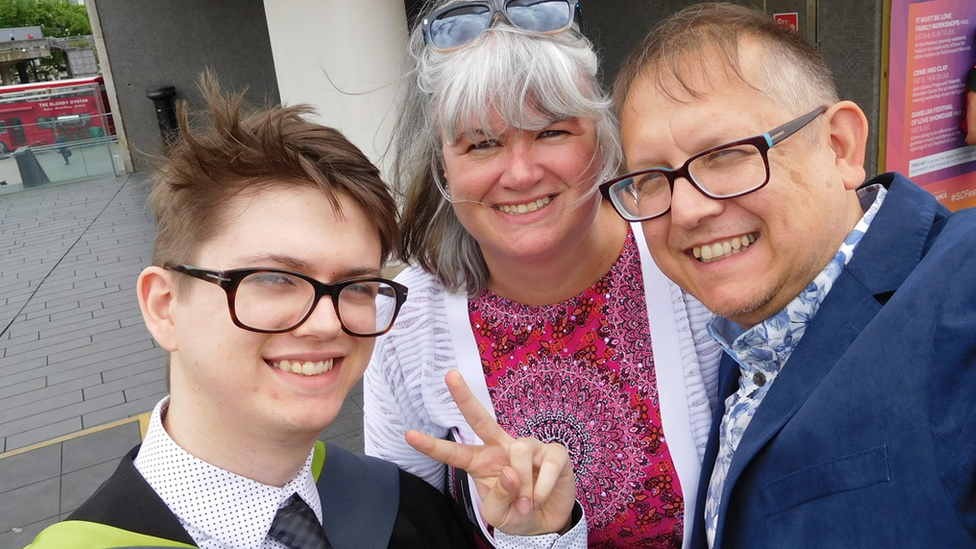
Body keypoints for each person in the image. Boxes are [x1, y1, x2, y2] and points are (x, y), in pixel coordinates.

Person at [25, 74, 587, 549]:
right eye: (274, 278)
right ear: (165, 305)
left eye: (357, 285)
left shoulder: (400, 509)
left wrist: (533, 536)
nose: (327, 323)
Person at [603, 3, 976, 548]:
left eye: (727, 155)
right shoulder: (742, 340)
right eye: (653, 178)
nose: (685, 211)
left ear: (839, 146)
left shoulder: (960, 293)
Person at [364, 1, 723, 547]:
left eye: (552, 132)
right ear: (443, 165)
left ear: (602, 140)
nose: (521, 173)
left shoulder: (686, 261)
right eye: (481, 143)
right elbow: (405, 532)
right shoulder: (407, 323)